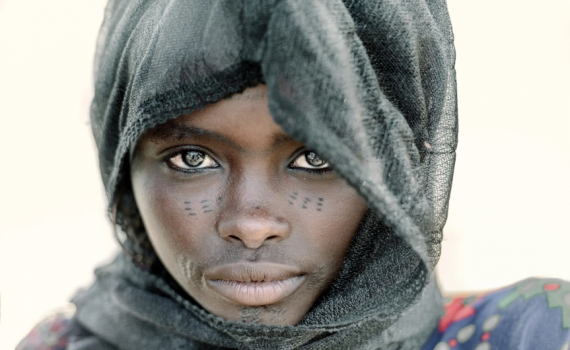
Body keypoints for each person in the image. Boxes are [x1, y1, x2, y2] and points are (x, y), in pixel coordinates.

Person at [17, 0, 570, 349]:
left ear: (399, 169)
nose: (251, 225)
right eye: (191, 158)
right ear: (121, 168)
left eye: (317, 158)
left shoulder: (533, 333)